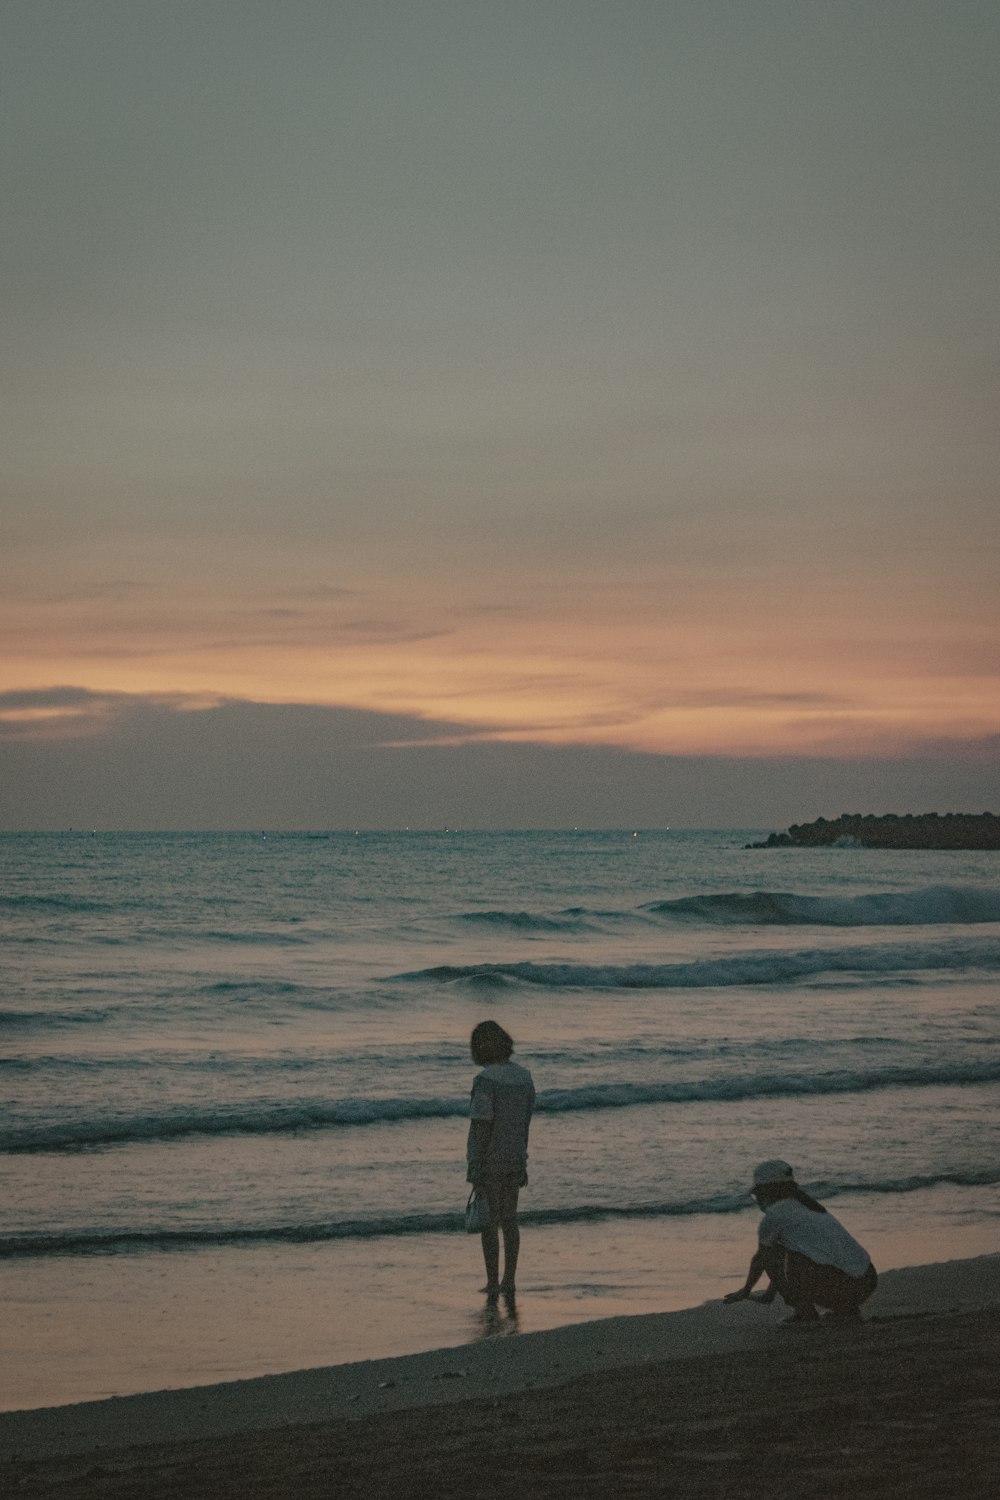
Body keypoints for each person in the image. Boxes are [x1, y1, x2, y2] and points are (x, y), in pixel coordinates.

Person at [723, 1159, 877, 1323]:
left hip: (843, 1286)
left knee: (781, 1255)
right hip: (867, 1280)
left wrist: (746, 1290)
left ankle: (805, 1313)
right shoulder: (812, 1208)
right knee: (791, 1253)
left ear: (766, 1191)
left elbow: (763, 1259)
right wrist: (769, 1293)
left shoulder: (775, 1215)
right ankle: (846, 1309)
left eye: (757, 1194)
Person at [466, 1020, 535, 1299]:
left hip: (491, 1159)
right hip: (515, 1157)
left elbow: (481, 1125)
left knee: (489, 1223)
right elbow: (525, 1122)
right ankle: (510, 1279)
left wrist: (474, 1164)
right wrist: (523, 1159)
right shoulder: (525, 1077)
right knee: (510, 1220)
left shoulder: (485, 1081)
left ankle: (493, 1281)